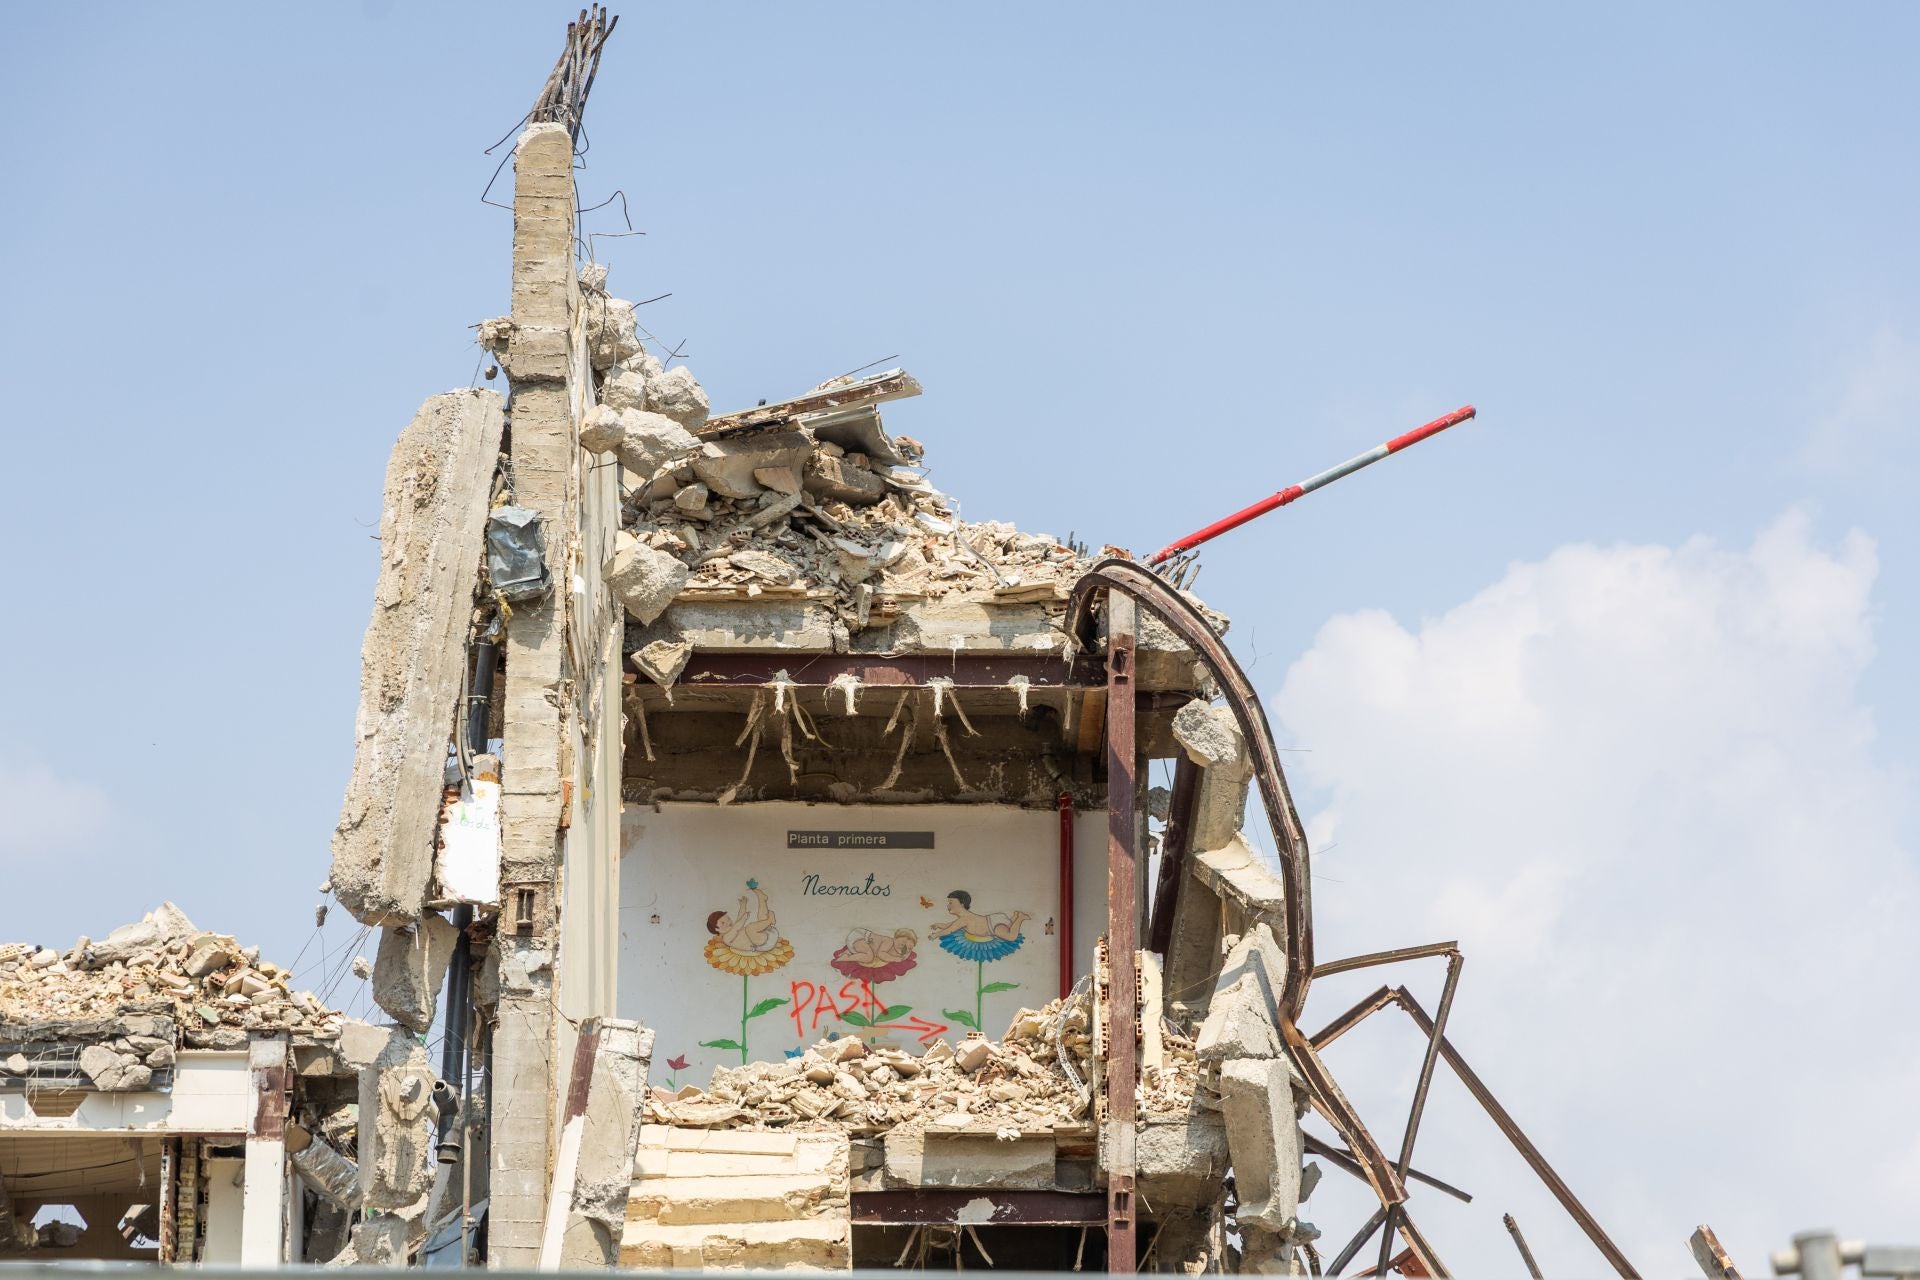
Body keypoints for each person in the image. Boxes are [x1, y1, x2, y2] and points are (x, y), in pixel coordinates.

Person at [707, 880, 780, 954]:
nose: (728, 922)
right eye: (723, 923)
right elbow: (736, 928)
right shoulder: (726, 938)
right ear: (717, 929)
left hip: (767, 934)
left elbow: (739, 918)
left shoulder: (732, 929)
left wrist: (743, 905)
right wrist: (744, 918)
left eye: (728, 919)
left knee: (761, 918)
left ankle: (762, 899)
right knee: (750, 928)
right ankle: (769, 920)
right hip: (763, 944)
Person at [928, 890, 1029, 943]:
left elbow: (950, 930)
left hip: (993, 925)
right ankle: (1015, 917)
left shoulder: (964, 919)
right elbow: (948, 926)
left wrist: (936, 935)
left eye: (951, 902)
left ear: (962, 904)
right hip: (994, 922)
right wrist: (938, 925)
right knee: (1008, 928)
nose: (948, 905)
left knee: (1011, 937)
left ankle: (1020, 918)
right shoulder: (962, 919)